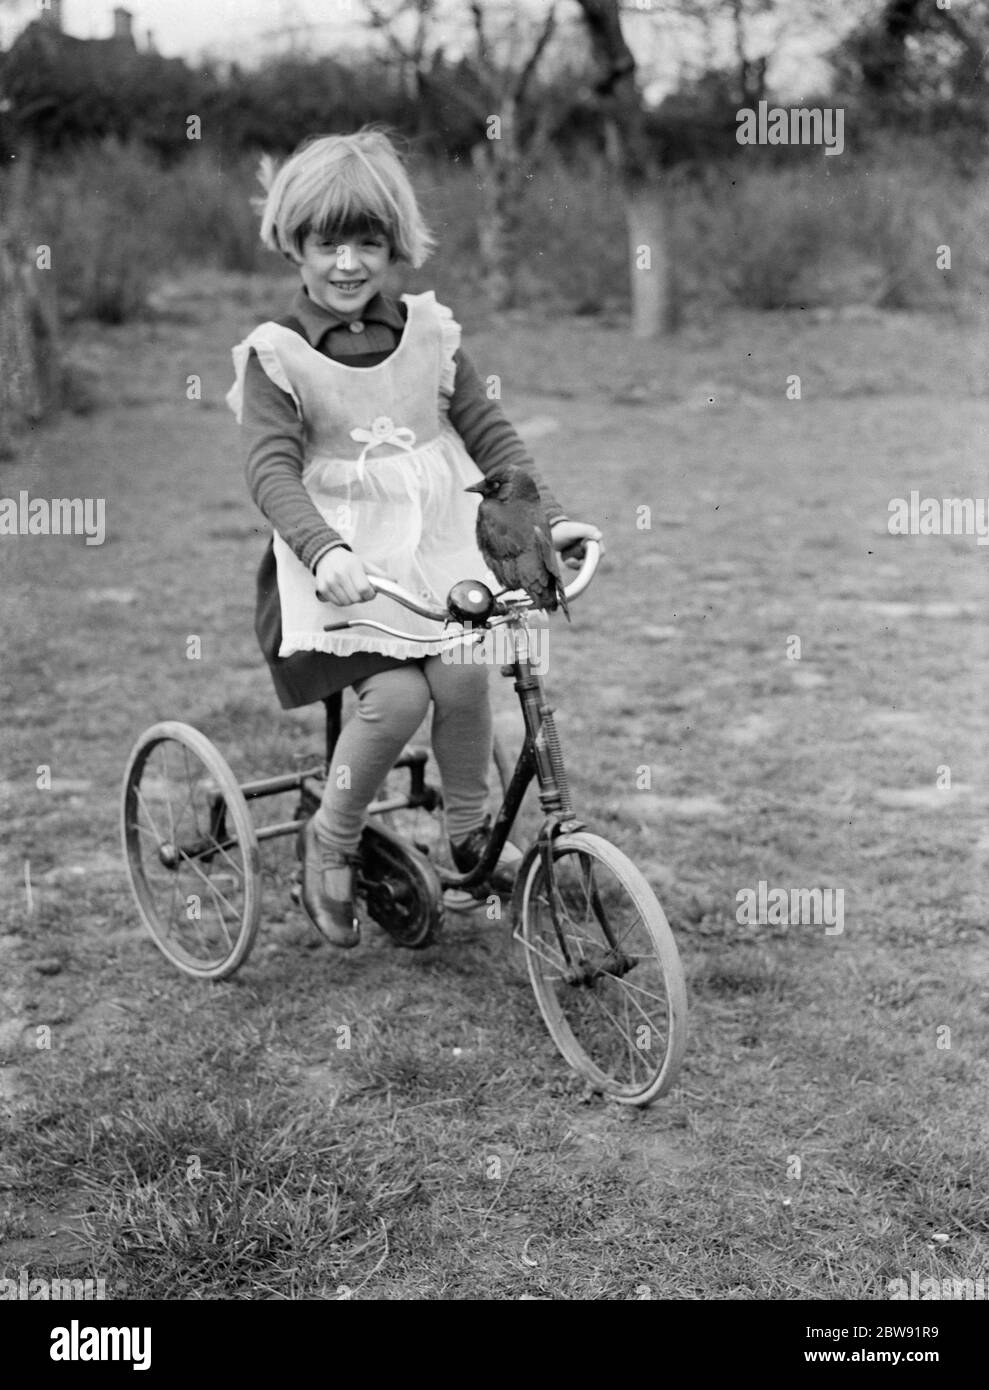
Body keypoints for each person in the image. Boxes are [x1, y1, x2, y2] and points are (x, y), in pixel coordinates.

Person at [227, 128, 601, 948]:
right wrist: (323, 550)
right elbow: (270, 470)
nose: (349, 264)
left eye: (368, 242)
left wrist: (546, 519)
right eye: (329, 243)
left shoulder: (429, 334)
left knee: (465, 674)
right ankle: (332, 837)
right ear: (295, 244)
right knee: (395, 697)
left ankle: (469, 833)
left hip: (431, 553)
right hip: (339, 568)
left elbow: (490, 432)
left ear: (395, 244)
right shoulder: (279, 355)